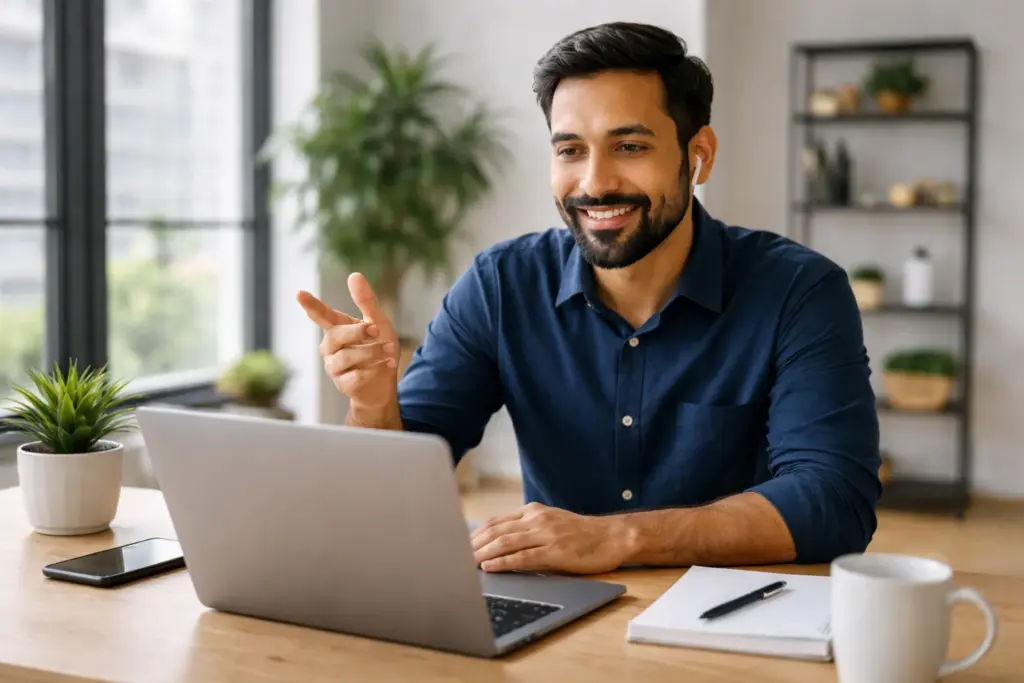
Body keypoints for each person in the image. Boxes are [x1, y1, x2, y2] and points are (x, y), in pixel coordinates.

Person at [298, 22, 881, 575]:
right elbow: (388, 497)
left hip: (731, 622)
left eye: (629, 147)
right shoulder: (501, 286)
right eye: (570, 150)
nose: (594, 183)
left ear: (698, 154)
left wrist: (618, 537)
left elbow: (833, 501)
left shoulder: (799, 293)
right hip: (555, 618)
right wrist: (374, 405)